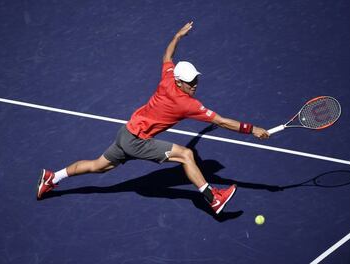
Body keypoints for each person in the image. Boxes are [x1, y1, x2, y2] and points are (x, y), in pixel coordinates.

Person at [37, 22, 269, 214]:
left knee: (99, 167)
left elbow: (167, 55)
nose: (195, 85)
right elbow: (222, 121)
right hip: (138, 140)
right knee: (187, 155)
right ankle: (213, 198)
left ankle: (52, 177)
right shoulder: (187, 104)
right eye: (191, 82)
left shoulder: (168, 78)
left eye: (196, 80)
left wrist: (177, 36)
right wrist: (253, 129)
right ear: (180, 81)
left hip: (126, 132)